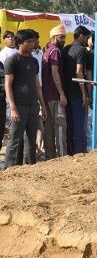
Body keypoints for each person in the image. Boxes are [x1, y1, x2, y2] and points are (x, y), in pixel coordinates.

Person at [3, 29, 47, 167]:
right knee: (15, 140)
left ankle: (30, 168)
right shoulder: (12, 61)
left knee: (31, 139)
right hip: (19, 106)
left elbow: (37, 85)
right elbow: (8, 86)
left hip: (33, 105)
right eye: (29, 41)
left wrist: (42, 105)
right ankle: (9, 170)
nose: (33, 44)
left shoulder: (34, 61)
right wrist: (13, 108)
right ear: (20, 43)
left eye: (33, 41)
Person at [61, 25, 91, 155]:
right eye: (87, 38)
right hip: (77, 94)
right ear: (81, 36)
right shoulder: (81, 50)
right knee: (79, 125)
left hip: (66, 92)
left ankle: (70, 151)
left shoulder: (65, 49)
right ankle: (80, 152)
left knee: (69, 124)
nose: (87, 41)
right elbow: (79, 72)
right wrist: (84, 93)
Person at [42, 24, 68, 159]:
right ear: (53, 37)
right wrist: (62, 93)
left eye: (64, 37)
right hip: (55, 95)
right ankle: (62, 157)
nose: (63, 39)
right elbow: (54, 73)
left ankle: (50, 157)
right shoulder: (55, 51)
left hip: (46, 95)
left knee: (49, 128)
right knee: (60, 126)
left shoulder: (46, 51)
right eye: (61, 37)